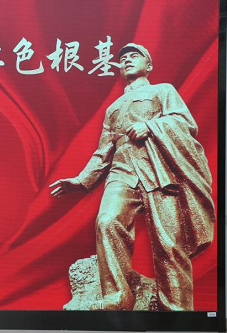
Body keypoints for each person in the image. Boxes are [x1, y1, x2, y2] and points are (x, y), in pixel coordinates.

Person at [49, 43, 215, 311]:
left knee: (169, 244)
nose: (126, 60)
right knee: (107, 221)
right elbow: (104, 150)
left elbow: (186, 123)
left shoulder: (162, 91)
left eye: (133, 56)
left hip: (158, 171)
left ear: (148, 65)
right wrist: (81, 180)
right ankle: (117, 297)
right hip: (122, 172)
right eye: (123, 58)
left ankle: (177, 310)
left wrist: (150, 126)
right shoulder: (113, 108)